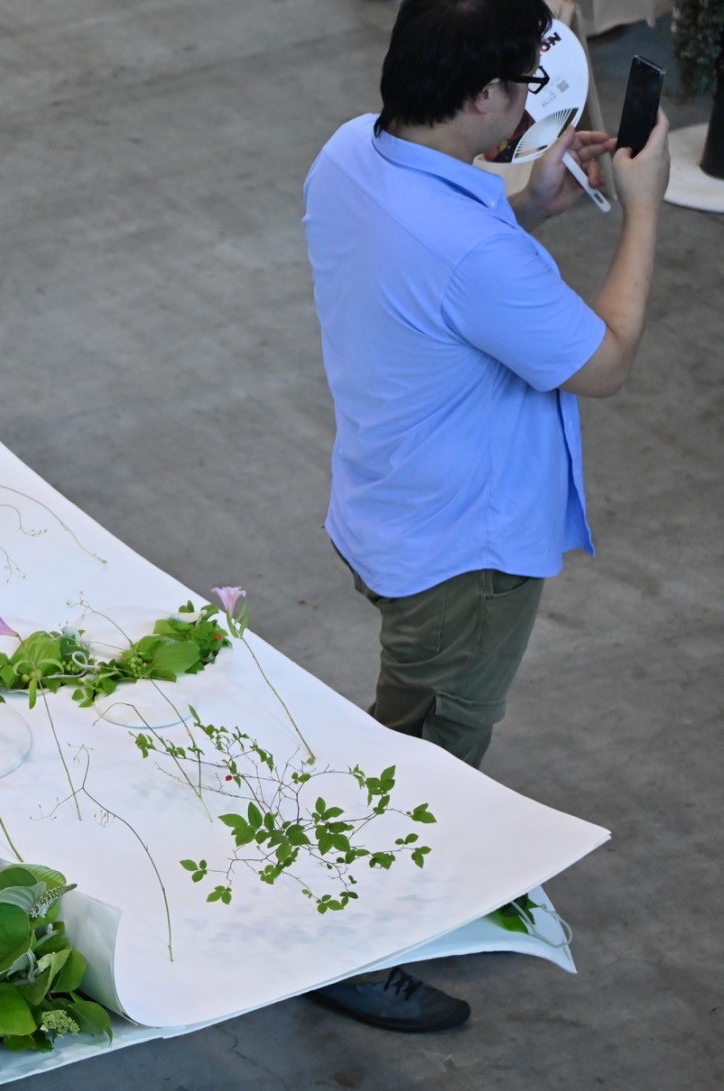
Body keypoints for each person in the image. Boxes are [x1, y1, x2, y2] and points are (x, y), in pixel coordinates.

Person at [300, 0, 669, 1031]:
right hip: (465, 555)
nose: (524, 107)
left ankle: (383, 894)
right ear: (477, 97)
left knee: (409, 720)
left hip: (389, 506)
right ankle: (350, 944)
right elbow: (601, 361)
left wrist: (532, 201)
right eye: (515, 88)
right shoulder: (475, 254)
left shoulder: (345, 158)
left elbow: (438, 260)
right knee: (424, 749)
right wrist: (641, 209)